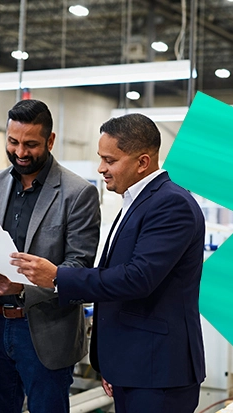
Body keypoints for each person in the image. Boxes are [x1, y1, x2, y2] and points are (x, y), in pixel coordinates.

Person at [10, 113, 206, 413]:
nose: (101, 168)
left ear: (142, 162)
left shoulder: (171, 204)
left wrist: (57, 277)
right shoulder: (136, 202)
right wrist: (113, 365)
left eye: (110, 160)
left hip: (158, 373)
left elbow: (138, 278)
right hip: (135, 367)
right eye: (101, 158)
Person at [0, 99, 101, 413]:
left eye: (31, 144)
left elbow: (79, 267)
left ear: (50, 140)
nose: (20, 152)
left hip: (45, 334)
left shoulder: (77, 193)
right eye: (13, 142)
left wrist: (22, 288)